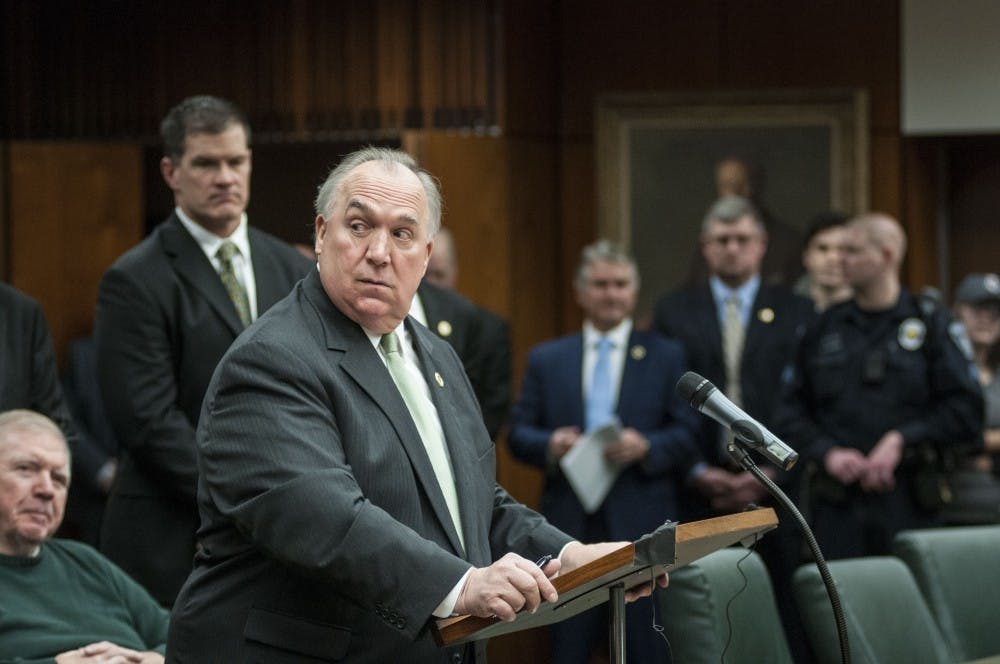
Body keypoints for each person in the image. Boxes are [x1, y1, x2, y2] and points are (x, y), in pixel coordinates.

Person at [165, 148, 663, 662]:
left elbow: (471, 502)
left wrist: (569, 554)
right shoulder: (272, 359)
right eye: (359, 226)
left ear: (425, 256)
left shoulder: (435, 353)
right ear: (320, 234)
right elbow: (326, 520)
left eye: (401, 234)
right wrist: (462, 584)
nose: (379, 252)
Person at [95, 95, 312, 605]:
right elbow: (146, 421)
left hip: (281, 534)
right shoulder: (134, 279)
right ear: (171, 172)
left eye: (236, 161)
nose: (225, 177)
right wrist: (250, 493)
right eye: (206, 164)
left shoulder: (294, 268)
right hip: (172, 534)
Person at [508, 239, 697, 664]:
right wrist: (552, 445)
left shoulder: (667, 356)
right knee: (568, 649)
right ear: (580, 292)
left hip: (641, 523)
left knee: (645, 649)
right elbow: (518, 433)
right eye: (600, 284)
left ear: (634, 290)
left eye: (620, 284)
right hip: (568, 525)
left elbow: (689, 433)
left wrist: (646, 445)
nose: (611, 294)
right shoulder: (548, 358)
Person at [772, 213, 984, 559]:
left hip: (912, 501)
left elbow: (966, 411)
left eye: (852, 251)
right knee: (837, 606)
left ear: (886, 256)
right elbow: (788, 413)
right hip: (837, 505)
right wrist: (827, 452)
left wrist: (903, 440)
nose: (840, 260)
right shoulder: (823, 328)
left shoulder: (930, 323)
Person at [653, 195, 814, 520]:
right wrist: (695, 469)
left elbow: (805, 396)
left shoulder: (796, 310)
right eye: (722, 240)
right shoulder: (673, 312)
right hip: (698, 483)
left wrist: (776, 470)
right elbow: (664, 394)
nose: (732, 248)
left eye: (742, 240)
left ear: (762, 244)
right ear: (705, 246)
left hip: (778, 482)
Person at [0, 409, 168, 662]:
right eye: (26, 469)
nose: (47, 489)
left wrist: (152, 659)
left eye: (59, 479)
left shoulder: (85, 561)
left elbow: (185, 636)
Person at [416, 227, 512, 438]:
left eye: (438, 275)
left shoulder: (485, 328)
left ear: (455, 272)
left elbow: (490, 412)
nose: (430, 288)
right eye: (424, 276)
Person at [795, 211, 853, 312]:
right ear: (806, 256)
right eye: (823, 248)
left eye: (842, 249)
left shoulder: (872, 312)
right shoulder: (785, 309)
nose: (833, 258)